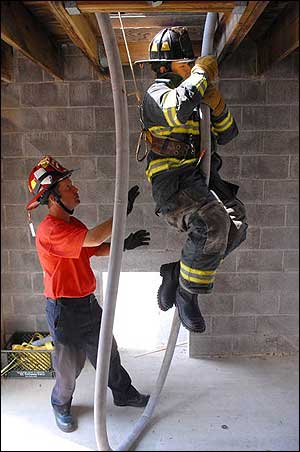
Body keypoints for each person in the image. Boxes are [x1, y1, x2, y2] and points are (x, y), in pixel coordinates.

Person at [26, 155, 151, 433]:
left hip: (88, 305)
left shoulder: (74, 225)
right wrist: (122, 212)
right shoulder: (49, 230)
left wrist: (124, 245)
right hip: (64, 310)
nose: (76, 189)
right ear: (52, 197)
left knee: (108, 352)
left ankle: (123, 393)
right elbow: (93, 239)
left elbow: (93, 248)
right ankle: (60, 404)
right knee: (69, 368)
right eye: (69, 186)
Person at [135, 27, 248, 334]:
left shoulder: (195, 97)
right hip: (173, 180)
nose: (189, 67)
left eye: (191, 63)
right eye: (184, 63)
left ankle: (178, 272)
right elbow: (175, 110)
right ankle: (187, 293)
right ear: (164, 67)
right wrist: (199, 77)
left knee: (236, 228)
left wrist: (217, 103)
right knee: (214, 224)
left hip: (202, 177)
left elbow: (228, 134)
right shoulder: (156, 95)